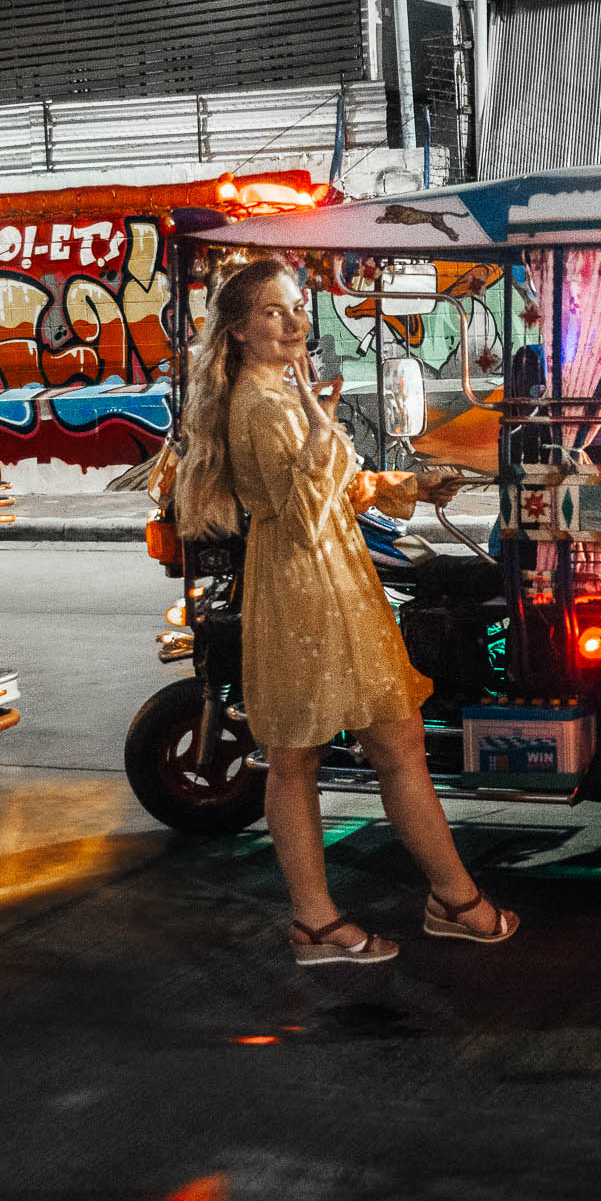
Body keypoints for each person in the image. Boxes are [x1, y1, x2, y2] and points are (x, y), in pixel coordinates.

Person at [175, 256, 518, 966]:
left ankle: (418, 903)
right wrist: (315, 420)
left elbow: (335, 490)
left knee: (365, 747)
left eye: (297, 306)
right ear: (239, 330)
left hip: (329, 578)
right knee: (319, 753)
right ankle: (358, 915)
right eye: (274, 311)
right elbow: (304, 513)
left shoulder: (279, 392)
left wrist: (410, 486)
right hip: (306, 584)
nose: (295, 320)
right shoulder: (263, 405)